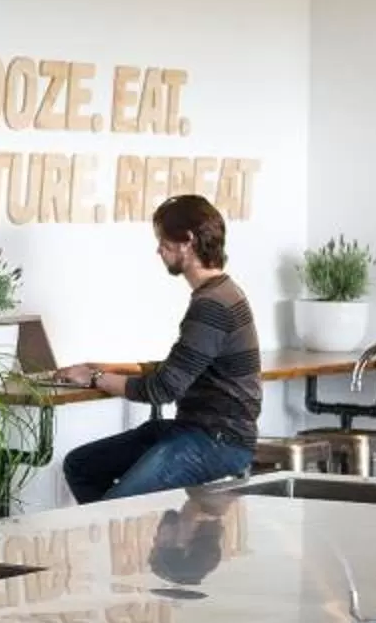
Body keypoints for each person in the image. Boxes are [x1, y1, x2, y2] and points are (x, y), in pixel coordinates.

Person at [52, 192, 261, 502]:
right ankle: (146, 542)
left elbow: (163, 389)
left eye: (163, 241)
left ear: (187, 241)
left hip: (218, 441)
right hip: (197, 430)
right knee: (81, 465)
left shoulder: (212, 305)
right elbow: (182, 367)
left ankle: (133, 535)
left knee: (116, 505)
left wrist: (93, 379)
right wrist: (105, 367)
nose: (158, 250)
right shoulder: (223, 292)